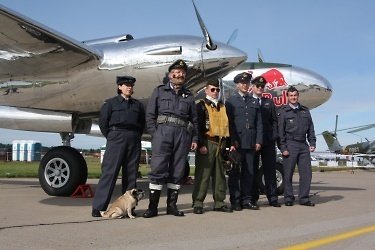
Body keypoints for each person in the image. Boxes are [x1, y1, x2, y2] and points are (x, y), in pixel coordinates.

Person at [143, 59, 198, 218]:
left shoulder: (189, 96)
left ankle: (172, 206)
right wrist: (155, 134)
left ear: (185, 76)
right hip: (163, 133)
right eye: (176, 72)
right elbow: (150, 115)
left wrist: (194, 138)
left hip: (182, 135)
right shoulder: (159, 91)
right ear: (170, 74)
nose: (179, 74)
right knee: (158, 169)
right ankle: (152, 207)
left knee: (178, 170)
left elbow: (194, 120)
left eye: (182, 72)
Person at [92, 76, 145, 217]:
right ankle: (98, 207)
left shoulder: (138, 105)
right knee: (110, 172)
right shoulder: (110, 104)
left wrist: (134, 136)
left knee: (131, 173)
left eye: (131, 85)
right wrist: (112, 136)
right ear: (119, 87)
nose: (129, 87)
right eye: (126, 85)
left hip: (133, 138)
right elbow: (103, 123)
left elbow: (142, 124)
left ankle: (130, 207)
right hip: (116, 137)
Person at [192, 79, 232, 214]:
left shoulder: (223, 106)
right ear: (206, 90)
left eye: (217, 90)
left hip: (221, 143)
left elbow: (228, 127)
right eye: (212, 89)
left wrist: (229, 146)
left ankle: (219, 202)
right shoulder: (201, 105)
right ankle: (198, 203)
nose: (215, 92)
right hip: (207, 142)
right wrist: (201, 144)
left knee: (220, 175)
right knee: (203, 174)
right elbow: (197, 127)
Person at [225, 72, 263, 211]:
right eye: (242, 83)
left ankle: (246, 200)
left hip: (251, 141)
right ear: (237, 85)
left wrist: (259, 140)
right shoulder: (231, 101)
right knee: (235, 173)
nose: (245, 85)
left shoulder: (254, 101)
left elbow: (258, 123)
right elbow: (229, 123)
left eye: (247, 83)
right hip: (237, 142)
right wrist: (232, 141)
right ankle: (235, 200)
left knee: (249, 172)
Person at [278, 86, 316, 207]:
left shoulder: (305, 111)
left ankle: (304, 198)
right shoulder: (283, 112)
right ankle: (289, 197)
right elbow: (280, 132)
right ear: (287, 97)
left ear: (298, 96)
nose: (293, 97)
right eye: (291, 96)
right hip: (290, 144)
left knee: (306, 174)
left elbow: (311, 129)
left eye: (295, 95)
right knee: (288, 173)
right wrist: (283, 148)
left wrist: (312, 142)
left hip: (303, 145)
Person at [251, 76, 281, 207]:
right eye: (258, 86)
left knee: (270, 170)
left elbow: (275, 121)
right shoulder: (248, 102)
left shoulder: (269, 102)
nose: (260, 88)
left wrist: (274, 136)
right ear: (253, 86)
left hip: (268, 141)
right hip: (253, 141)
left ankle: (272, 197)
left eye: (262, 86)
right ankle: (253, 198)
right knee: (251, 169)